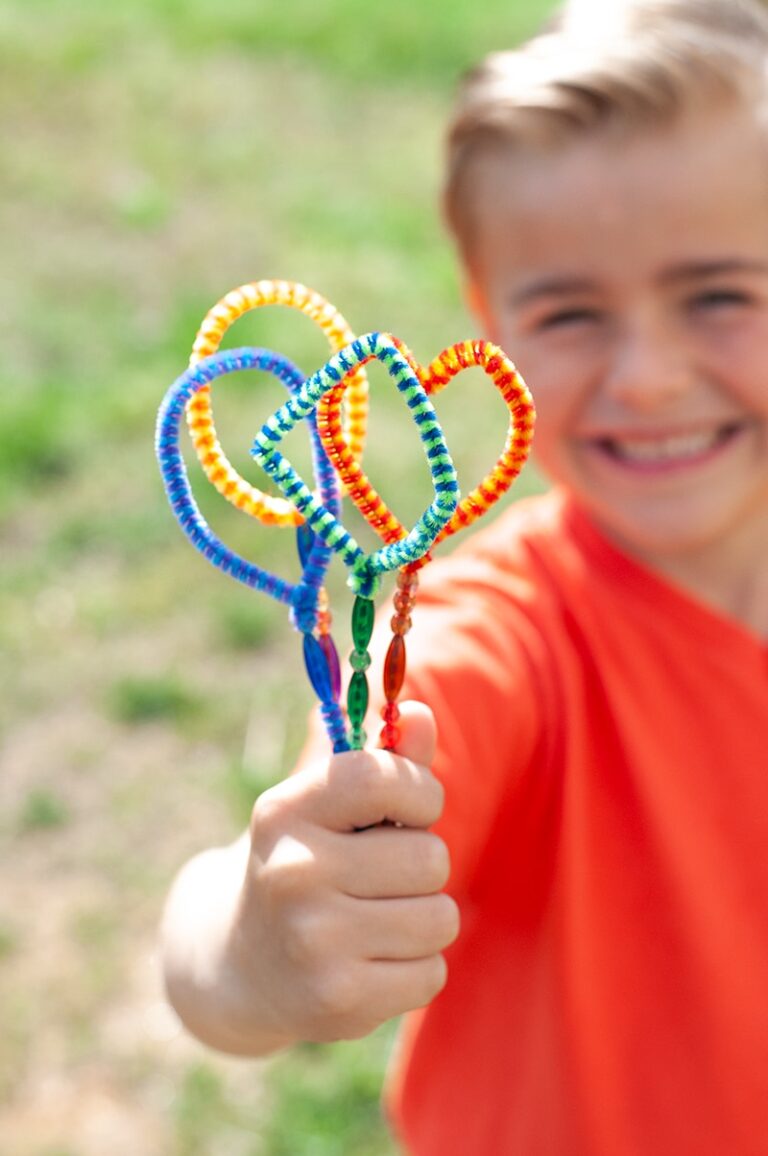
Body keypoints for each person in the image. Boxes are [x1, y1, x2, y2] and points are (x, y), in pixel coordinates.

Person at [160, 0, 768, 1151]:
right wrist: (253, 941)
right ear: (493, 328)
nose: (646, 376)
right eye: (571, 312)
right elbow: (212, 954)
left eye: (719, 296)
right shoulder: (497, 640)